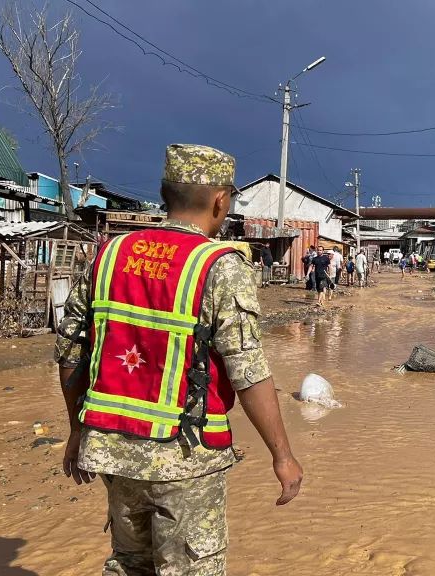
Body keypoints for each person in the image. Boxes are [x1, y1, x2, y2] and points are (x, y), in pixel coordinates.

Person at [54, 144, 303, 575]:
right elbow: (248, 373)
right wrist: (282, 454)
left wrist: (77, 431)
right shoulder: (220, 267)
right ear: (221, 201)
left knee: (130, 563)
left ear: (164, 193)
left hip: (113, 449)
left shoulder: (108, 255)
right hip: (187, 456)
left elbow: (70, 351)